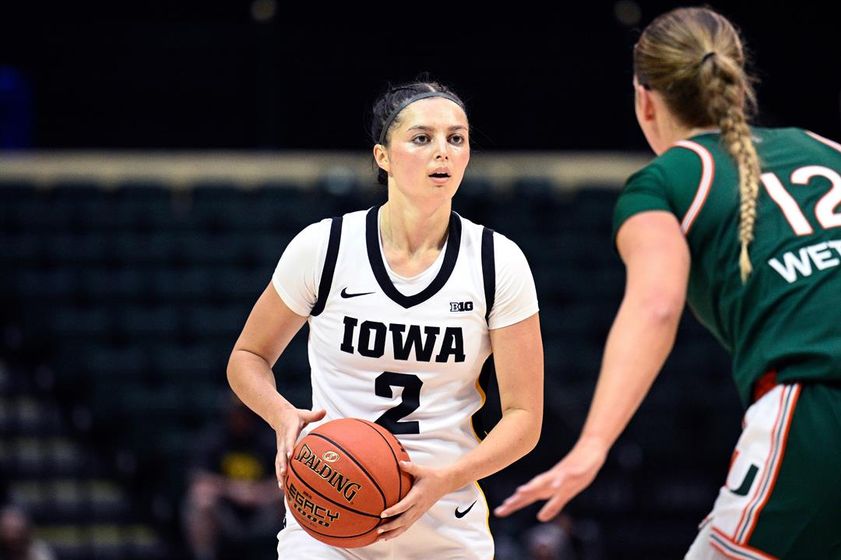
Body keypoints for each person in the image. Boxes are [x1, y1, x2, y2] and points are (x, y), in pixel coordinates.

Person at [495, 7, 841, 560]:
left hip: (817, 405)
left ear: (645, 99)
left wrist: (593, 444)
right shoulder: (824, 148)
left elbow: (656, 305)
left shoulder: (664, 181)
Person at [227, 79, 544, 559]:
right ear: (383, 156)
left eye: (456, 138)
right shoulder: (324, 247)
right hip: (330, 510)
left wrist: (451, 477)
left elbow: (524, 417)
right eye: (422, 138)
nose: (443, 151)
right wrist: (281, 415)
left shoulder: (497, 261)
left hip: (444, 519)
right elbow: (247, 357)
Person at [183, 395, 283, 560]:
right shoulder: (213, 439)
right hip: (226, 509)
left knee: (289, 496)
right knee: (201, 499)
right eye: (235, 414)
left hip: (262, 506)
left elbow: (285, 477)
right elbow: (199, 478)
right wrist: (234, 490)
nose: (240, 419)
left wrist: (259, 492)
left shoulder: (266, 438)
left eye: (244, 414)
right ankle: (204, 556)